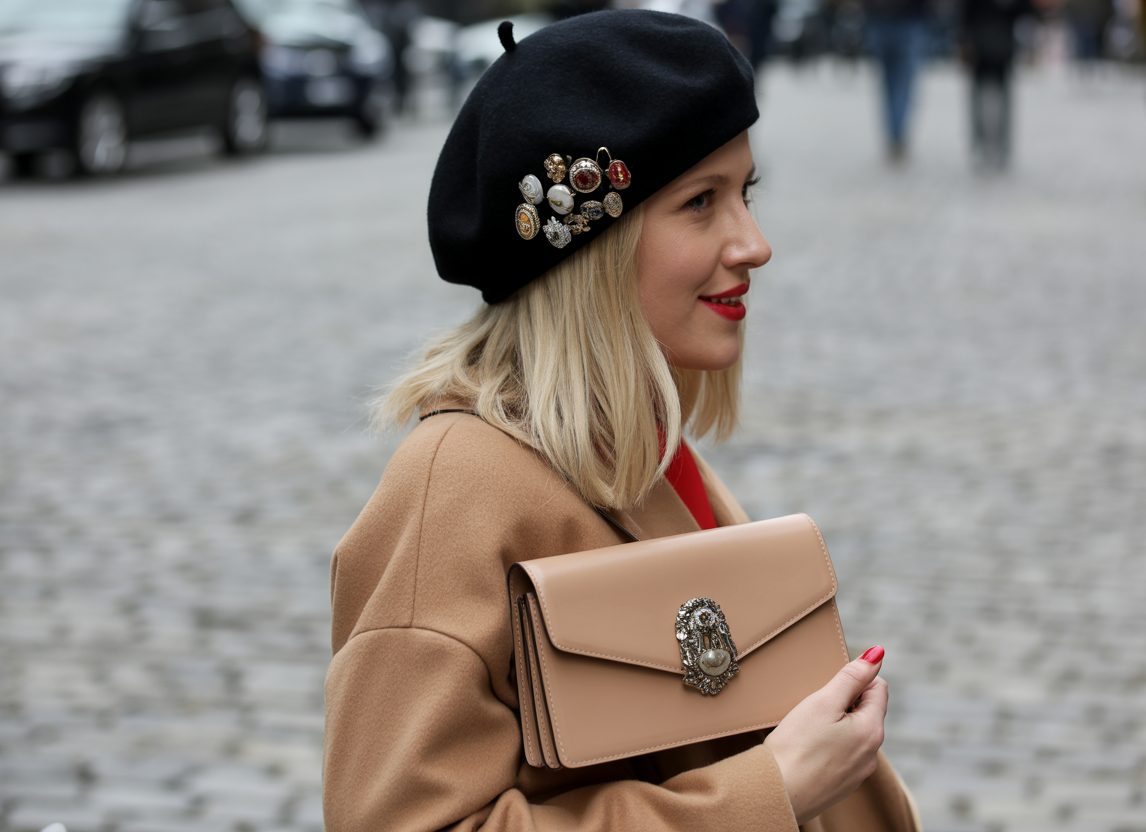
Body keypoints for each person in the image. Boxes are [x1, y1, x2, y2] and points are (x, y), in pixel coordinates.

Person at [322, 10, 921, 832]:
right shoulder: (454, 488)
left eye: (744, 194)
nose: (754, 243)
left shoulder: (642, 442)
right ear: (590, 252)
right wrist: (765, 793)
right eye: (701, 202)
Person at [960, 0, 1036, 170]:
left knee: (1002, 100)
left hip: (1001, 47)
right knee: (979, 98)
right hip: (981, 46)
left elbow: (1026, 11)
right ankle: (983, 145)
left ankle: (999, 146)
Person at [864, 0, 930, 161]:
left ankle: (894, 135)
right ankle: (897, 136)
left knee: (890, 86)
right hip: (906, 23)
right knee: (901, 86)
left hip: (884, 23)